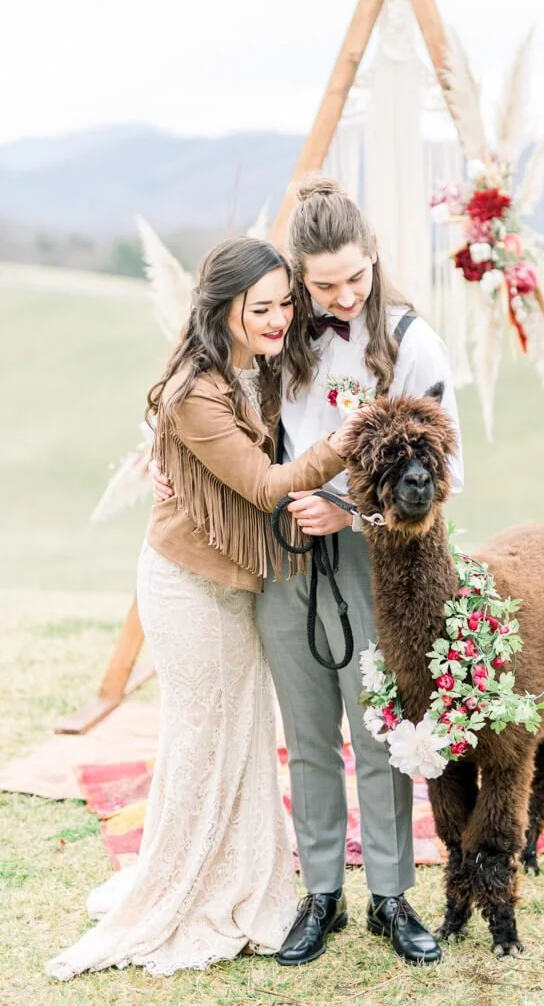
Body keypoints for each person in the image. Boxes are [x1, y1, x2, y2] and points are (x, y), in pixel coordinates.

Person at [46, 237, 353, 980]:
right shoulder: (196, 389)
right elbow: (264, 485)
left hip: (238, 581)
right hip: (187, 585)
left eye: (285, 303)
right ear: (223, 310)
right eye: (262, 308)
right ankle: (182, 888)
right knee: (200, 735)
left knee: (244, 732)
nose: (280, 318)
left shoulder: (262, 362)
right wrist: (348, 441)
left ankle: (238, 876)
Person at [258, 174, 464, 967]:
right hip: (282, 551)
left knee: (377, 726)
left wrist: (348, 509)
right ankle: (321, 893)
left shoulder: (413, 344)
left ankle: (389, 894)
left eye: (355, 277)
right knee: (307, 731)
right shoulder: (275, 336)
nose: (344, 296)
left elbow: (446, 473)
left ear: (374, 252)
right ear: (298, 277)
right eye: (324, 286)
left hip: (373, 556)